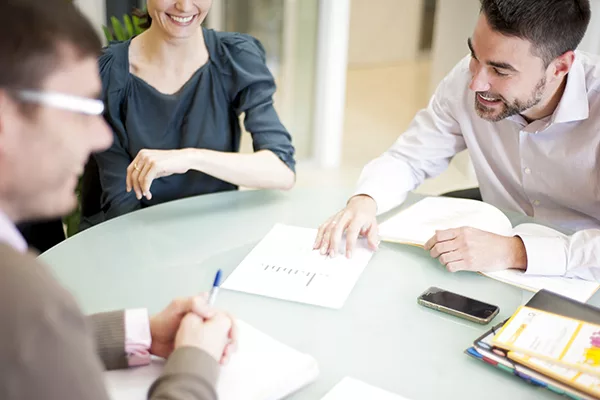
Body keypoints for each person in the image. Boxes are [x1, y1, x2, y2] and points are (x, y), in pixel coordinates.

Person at [0, 1, 236, 398]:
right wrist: (195, 361)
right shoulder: (21, 292)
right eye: (80, 111)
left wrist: (138, 334)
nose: (102, 137)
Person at [315, 0, 600, 281]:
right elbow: (410, 157)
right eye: (475, 55)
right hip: (494, 267)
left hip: (584, 271)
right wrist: (366, 200)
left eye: (501, 71)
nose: (476, 82)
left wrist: (517, 252)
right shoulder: (467, 77)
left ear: (560, 67)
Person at [87, 0, 296, 226]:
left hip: (217, 233)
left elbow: (282, 170)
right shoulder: (108, 74)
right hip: (141, 241)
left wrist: (190, 158)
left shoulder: (235, 56)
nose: (185, 7)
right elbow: (122, 208)